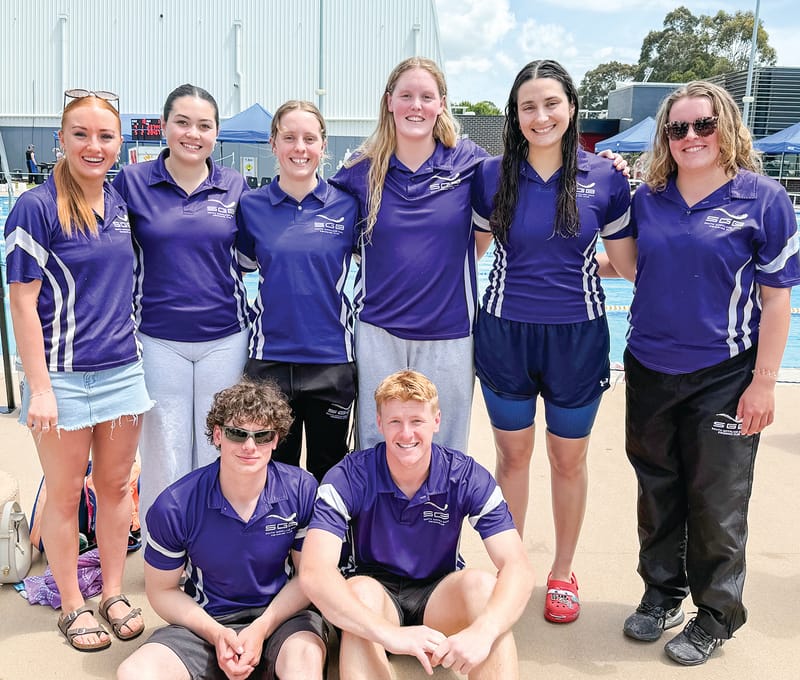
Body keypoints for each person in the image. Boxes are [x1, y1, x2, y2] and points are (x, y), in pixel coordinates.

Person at [616, 81, 800, 665]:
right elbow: (633, 267)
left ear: (726, 127)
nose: (691, 137)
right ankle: (661, 593)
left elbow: (776, 301)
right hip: (648, 366)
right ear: (664, 137)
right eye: (677, 128)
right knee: (657, 490)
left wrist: (764, 381)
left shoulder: (764, 199)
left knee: (716, 499)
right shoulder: (648, 198)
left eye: (703, 125)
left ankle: (717, 614)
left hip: (723, 376)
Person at [471, 59, 635, 624]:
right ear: (514, 116)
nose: (540, 116)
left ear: (571, 107)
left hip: (576, 337)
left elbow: (628, 264)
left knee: (568, 461)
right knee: (512, 457)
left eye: (551, 104)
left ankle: (562, 571)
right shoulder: (490, 176)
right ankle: (510, 571)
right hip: (504, 334)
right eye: (527, 107)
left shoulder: (606, 178)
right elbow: (462, 251)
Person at [5, 90, 152, 652]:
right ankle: (72, 604)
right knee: (65, 497)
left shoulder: (119, 204)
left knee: (115, 489)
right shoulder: (36, 207)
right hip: (61, 379)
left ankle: (112, 590)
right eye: (82, 134)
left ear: (121, 143)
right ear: (60, 140)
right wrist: (38, 388)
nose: (94, 146)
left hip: (121, 373)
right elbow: (22, 301)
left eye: (105, 136)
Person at [300, 369, 534, 680]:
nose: (406, 434)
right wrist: (389, 634)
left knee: (483, 588)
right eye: (395, 421)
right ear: (380, 423)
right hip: (375, 596)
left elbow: (517, 565)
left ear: (436, 422)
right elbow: (315, 572)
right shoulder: (349, 475)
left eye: (417, 421)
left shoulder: (464, 476)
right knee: (358, 593)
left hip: (437, 592)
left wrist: (484, 631)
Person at [116, 378, 328, 680]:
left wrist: (261, 628)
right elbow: (161, 590)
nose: (250, 446)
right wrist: (216, 634)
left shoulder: (302, 489)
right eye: (236, 434)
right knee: (135, 672)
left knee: (304, 662)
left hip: (281, 617)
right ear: (218, 435)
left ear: (276, 440)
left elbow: (308, 578)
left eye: (262, 435)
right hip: (206, 622)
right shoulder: (175, 505)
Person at [330, 57, 489, 453]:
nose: (415, 105)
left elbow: (486, 233)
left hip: (448, 333)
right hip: (378, 332)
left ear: (442, 104)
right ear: (389, 102)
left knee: (444, 446)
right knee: (376, 443)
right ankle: (375, 517)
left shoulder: (470, 163)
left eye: (426, 96)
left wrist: (603, 164)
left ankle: (440, 516)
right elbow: (320, 226)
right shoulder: (360, 171)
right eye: (406, 96)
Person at [113, 84, 251, 536]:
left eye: (205, 126)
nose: (193, 133)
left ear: (216, 134)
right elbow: (104, 249)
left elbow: (252, 256)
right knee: (165, 450)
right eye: (183, 123)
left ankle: (212, 541)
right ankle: (163, 544)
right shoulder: (133, 182)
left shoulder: (235, 186)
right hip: (158, 338)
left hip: (224, 339)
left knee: (218, 447)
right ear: (165, 126)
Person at [236, 100, 359, 481]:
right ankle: (279, 542)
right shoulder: (252, 206)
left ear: (324, 145)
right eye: (289, 137)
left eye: (309, 138)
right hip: (270, 361)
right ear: (273, 144)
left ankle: (326, 542)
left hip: (331, 362)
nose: (299, 148)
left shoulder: (348, 206)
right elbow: (239, 271)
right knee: (274, 474)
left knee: (329, 471)